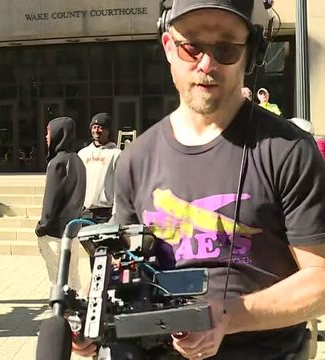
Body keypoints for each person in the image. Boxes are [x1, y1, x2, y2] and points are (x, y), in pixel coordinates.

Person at [75, 1, 325, 359]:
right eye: (191, 46)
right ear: (168, 48)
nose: (206, 64)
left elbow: (320, 279)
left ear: (250, 54)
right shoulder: (135, 159)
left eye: (226, 48)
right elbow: (119, 265)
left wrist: (227, 316)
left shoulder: (289, 150)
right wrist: (93, 318)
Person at [36, 117, 86, 293]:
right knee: (73, 278)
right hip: (73, 231)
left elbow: (50, 201)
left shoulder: (56, 163)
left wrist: (41, 227)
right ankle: (78, 317)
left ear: (59, 133)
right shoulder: (78, 161)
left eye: (49, 132)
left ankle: (64, 318)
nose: (46, 137)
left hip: (55, 234)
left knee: (58, 282)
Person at [77, 113, 122, 268]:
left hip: (106, 213)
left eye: (101, 127)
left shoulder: (116, 154)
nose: (97, 130)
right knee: (93, 256)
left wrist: (116, 213)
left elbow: (120, 186)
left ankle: (110, 289)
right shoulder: (82, 154)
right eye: (94, 127)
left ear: (108, 130)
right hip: (87, 212)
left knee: (109, 255)